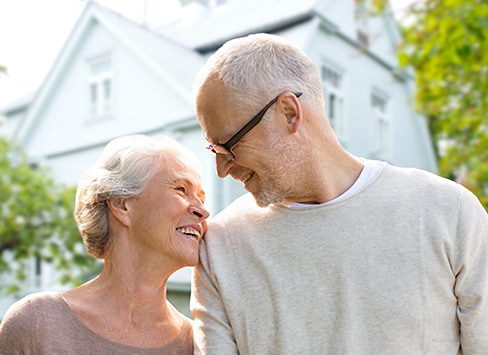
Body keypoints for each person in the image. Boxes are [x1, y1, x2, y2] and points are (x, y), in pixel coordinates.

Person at [190, 33, 488, 354]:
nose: (222, 169)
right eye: (213, 150)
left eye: (229, 146)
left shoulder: (449, 212)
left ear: (289, 113)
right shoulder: (219, 247)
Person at [0, 134, 209, 354]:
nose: (203, 211)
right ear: (122, 205)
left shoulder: (196, 344)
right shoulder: (38, 323)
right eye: (181, 189)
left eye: (201, 198)